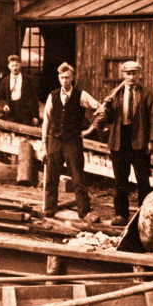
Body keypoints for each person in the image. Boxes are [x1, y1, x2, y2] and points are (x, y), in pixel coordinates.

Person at [93, 60, 153, 225]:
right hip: (119, 140)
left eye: (134, 74)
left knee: (143, 180)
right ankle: (121, 215)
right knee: (120, 180)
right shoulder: (116, 94)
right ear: (123, 75)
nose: (131, 77)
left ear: (139, 75)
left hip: (139, 141)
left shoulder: (146, 94)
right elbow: (108, 120)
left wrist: (151, 140)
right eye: (128, 74)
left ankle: (143, 214)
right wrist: (107, 108)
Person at [40, 62, 99, 223]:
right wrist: (43, 147)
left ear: (72, 78)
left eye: (67, 77)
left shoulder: (81, 95)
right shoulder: (52, 95)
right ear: (58, 79)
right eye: (61, 78)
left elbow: (100, 110)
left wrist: (90, 129)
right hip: (54, 140)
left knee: (78, 177)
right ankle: (50, 209)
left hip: (72, 141)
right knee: (51, 176)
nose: (64, 81)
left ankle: (84, 212)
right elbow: (46, 121)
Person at [0, 54, 40, 125]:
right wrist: (4, 105)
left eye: (16, 65)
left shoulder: (28, 79)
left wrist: (36, 116)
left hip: (26, 114)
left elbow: (34, 98)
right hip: (11, 114)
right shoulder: (5, 81)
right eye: (12, 66)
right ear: (9, 66)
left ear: (20, 65)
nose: (15, 68)